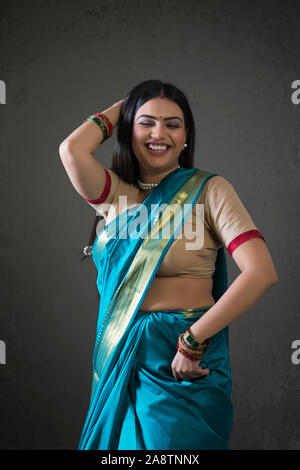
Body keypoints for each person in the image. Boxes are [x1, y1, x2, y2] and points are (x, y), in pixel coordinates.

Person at [59, 80, 278, 450]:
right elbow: (71, 149)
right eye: (146, 123)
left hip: (184, 360)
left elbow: (261, 273)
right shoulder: (114, 195)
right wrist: (128, 104)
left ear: (186, 136)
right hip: (123, 353)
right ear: (129, 129)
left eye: (172, 124)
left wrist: (193, 340)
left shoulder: (210, 190)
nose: (159, 133)